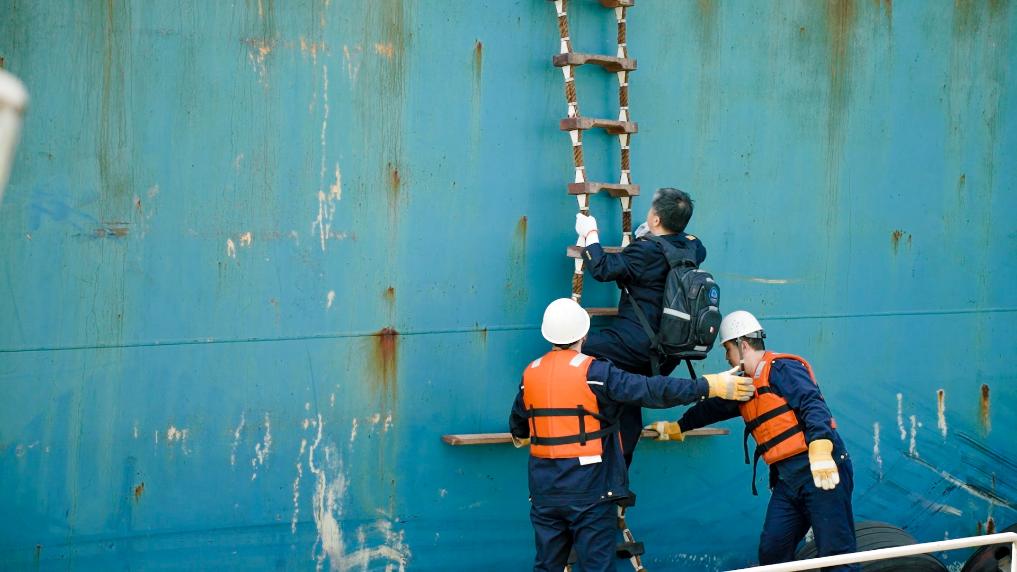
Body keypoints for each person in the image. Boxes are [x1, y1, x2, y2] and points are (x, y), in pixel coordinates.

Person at [509, 298, 754, 572]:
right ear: (584, 334)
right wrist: (708, 386)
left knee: (547, 566)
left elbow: (519, 426)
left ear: (548, 335)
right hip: (590, 491)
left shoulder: (530, 375)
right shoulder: (596, 372)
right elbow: (651, 390)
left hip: (545, 492)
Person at [656, 310, 858, 570]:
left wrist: (820, 447)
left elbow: (812, 404)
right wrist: (678, 427)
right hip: (788, 482)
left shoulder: (782, 369)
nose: (727, 357)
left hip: (822, 472)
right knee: (772, 552)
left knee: (836, 554)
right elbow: (711, 409)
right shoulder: (745, 386)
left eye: (728, 350)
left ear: (742, 345)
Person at [574, 187, 707, 466]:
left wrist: (590, 233)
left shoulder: (645, 250)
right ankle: (621, 464)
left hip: (634, 345)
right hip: (667, 352)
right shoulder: (693, 247)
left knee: (576, 348)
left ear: (656, 219)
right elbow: (690, 246)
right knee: (627, 393)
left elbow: (602, 268)